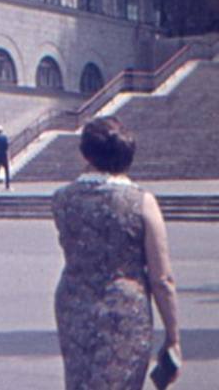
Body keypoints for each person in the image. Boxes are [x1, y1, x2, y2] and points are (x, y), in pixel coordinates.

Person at [53, 117, 182, 389]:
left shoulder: (62, 198)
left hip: (73, 304)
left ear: (86, 154)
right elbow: (162, 278)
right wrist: (173, 337)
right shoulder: (142, 202)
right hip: (124, 308)